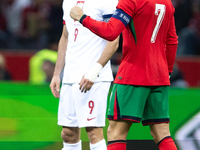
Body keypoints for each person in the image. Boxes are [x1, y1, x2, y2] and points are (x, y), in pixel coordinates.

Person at [70, 0, 178, 149]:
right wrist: (167, 72)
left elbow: (111, 31)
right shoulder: (167, 2)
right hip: (160, 76)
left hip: (132, 75)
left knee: (116, 133)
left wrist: (82, 18)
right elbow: (172, 40)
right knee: (162, 133)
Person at [49, 0, 119, 150]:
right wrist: (57, 74)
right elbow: (65, 37)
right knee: (68, 133)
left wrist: (95, 71)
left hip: (94, 77)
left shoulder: (107, 1)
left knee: (93, 132)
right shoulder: (67, 1)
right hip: (69, 76)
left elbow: (114, 40)